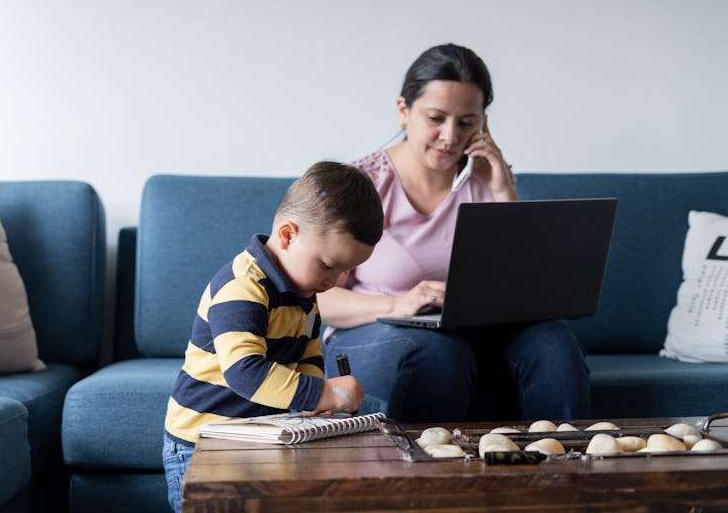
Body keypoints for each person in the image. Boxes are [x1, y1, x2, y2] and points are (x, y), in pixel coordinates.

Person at [318, 43, 591, 423]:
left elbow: (528, 291)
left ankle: (562, 470)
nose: (450, 137)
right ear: (403, 111)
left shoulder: (489, 179)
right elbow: (319, 298)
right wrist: (398, 305)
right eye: (436, 117)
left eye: (466, 122)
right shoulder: (362, 185)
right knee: (440, 352)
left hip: (476, 333)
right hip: (378, 329)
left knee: (554, 346)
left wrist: (502, 191)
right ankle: (426, 476)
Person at [162, 161, 384, 512]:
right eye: (327, 265)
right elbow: (244, 373)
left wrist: (317, 405)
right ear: (287, 235)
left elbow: (309, 358)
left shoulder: (306, 294)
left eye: (345, 270)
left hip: (259, 434)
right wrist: (326, 392)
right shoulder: (242, 287)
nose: (334, 281)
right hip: (203, 441)